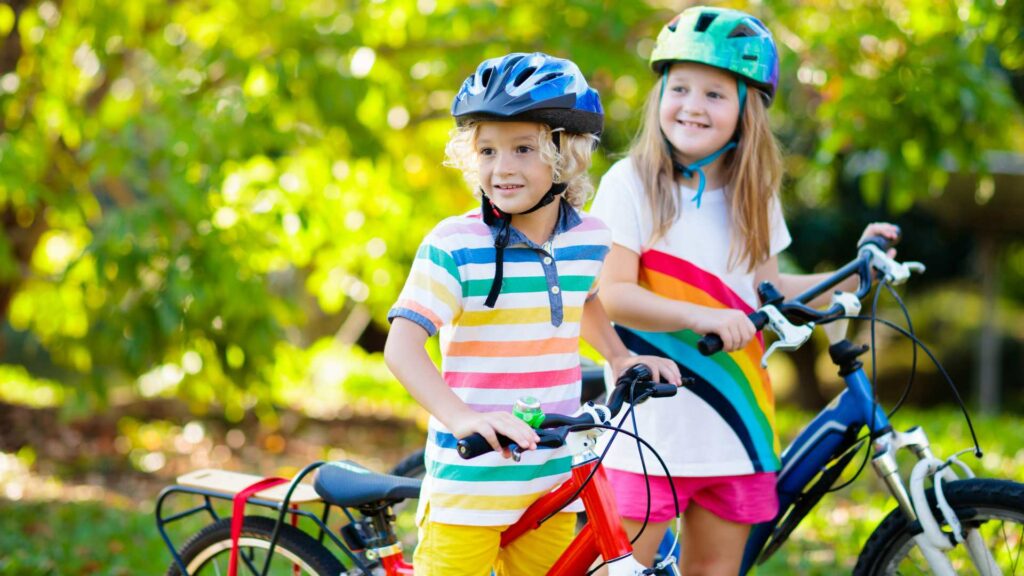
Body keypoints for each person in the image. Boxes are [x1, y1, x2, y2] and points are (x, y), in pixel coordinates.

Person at [589, 7, 899, 575]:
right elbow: (614, 295)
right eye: (679, 87)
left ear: (745, 110)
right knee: (620, 568)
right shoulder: (629, 184)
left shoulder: (753, 193)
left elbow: (768, 291)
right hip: (651, 424)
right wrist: (703, 316)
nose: (691, 105)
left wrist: (858, 270)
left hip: (736, 425)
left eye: (714, 94)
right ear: (659, 93)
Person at [384, 52, 681, 576]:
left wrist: (616, 355)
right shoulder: (455, 245)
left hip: (551, 483)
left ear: (565, 156)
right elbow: (401, 346)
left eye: (524, 148)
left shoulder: (590, 238)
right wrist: (463, 418)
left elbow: (582, 298)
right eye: (488, 150)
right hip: (467, 486)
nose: (502, 168)